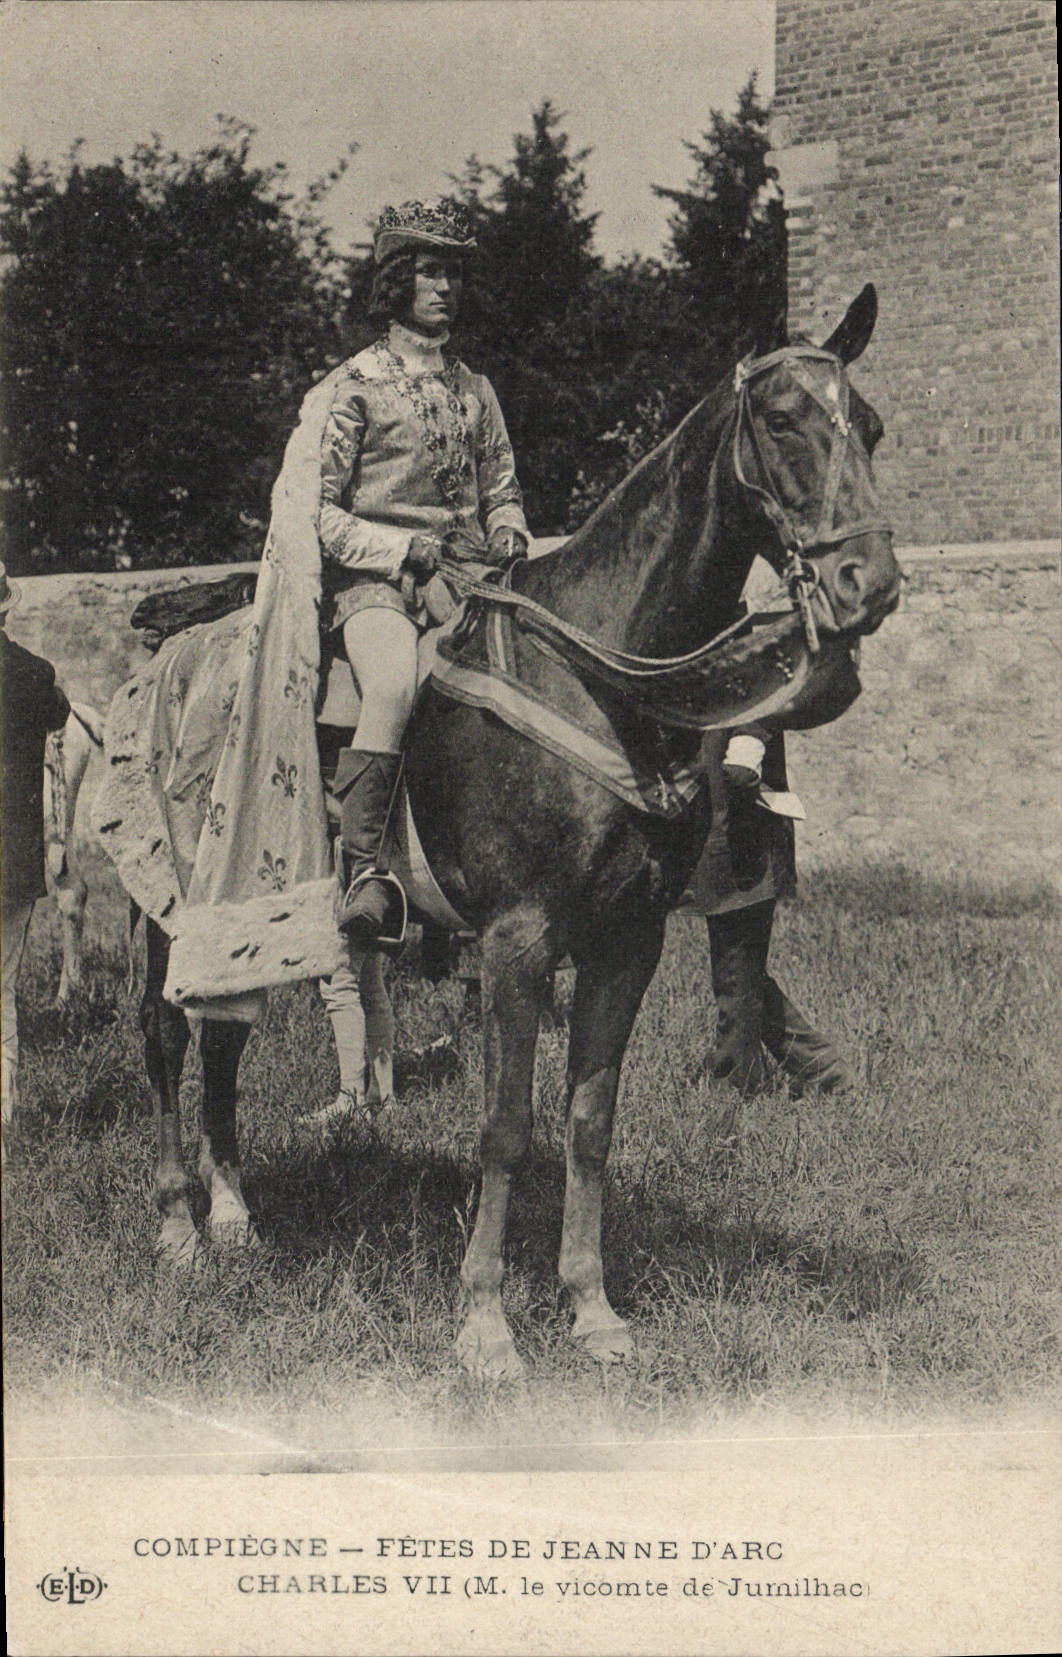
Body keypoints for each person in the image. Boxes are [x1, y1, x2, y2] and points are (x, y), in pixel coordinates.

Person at [317, 197, 530, 942]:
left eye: (453, 274)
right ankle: (365, 871)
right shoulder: (355, 386)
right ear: (397, 281)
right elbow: (324, 517)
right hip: (378, 586)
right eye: (431, 273)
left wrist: (508, 531)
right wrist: (404, 551)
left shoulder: (476, 389)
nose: (446, 288)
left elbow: (501, 487)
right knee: (396, 684)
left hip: (471, 579)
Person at [684, 648, 864, 1098]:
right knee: (739, 972)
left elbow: (765, 707)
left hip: (744, 832)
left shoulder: (752, 653)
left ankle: (738, 1088)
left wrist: (748, 743)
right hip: (713, 830)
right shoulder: (702, 646)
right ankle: (822, 1070)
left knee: (737, 971)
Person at [1, 563, 71, 1124]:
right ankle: (2, 1118)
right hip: (13, 863)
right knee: (1, 993)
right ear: (7, 608)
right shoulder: (34, 673)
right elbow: (62, 712)